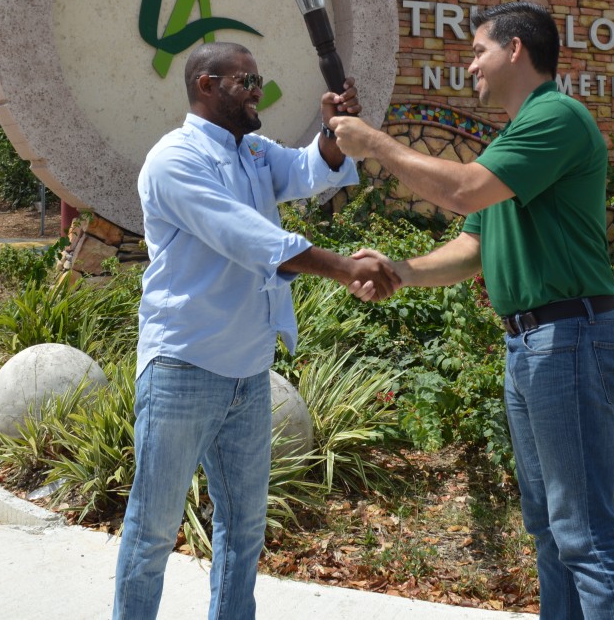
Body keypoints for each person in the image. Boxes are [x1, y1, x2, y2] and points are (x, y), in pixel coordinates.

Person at [329, 1, 614, 620]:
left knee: (582, 532)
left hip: (571, 335)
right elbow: (474, 244)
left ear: (516, 49)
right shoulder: (513, 143)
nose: (470, 63)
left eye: (478, 50)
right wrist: (402, 271)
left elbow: (460, 189)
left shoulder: (557, 117)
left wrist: (374, 144)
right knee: (551, 532)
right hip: (533, 344)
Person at [112, 41, 399, 620]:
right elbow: (250, 238)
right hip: (183, 367)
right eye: (246, 82)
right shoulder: (175, 160)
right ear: (206, 86)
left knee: (244, 531)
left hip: (247, 370)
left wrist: (330, 130)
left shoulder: (254, 152)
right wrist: (344, 267)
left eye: (259, 80)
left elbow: (311, 170)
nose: (257, 92)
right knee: (152, 532)